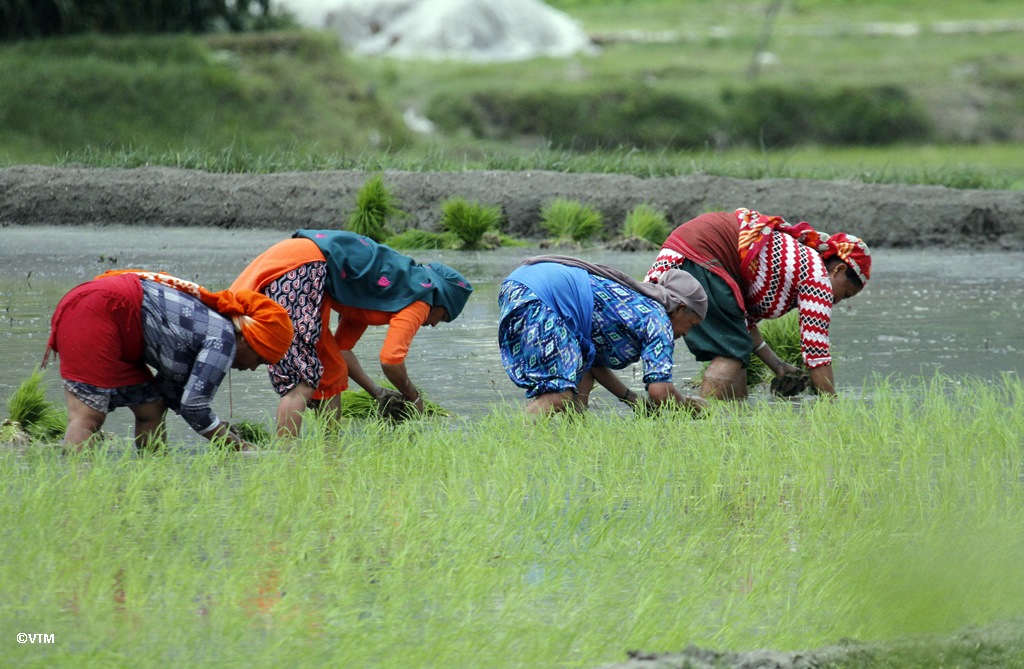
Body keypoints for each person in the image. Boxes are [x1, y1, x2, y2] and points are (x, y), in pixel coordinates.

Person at [231, 229, 474, 436]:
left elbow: (341, 350)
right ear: (439, 300)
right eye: (442, 318)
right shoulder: (421, 298)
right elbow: (391, 361)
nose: (433, 325)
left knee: (332, 371)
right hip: (304, 267)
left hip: (298, 261)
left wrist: (377, 392)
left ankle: (330, 452)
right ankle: (288, 459)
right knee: (302, 378)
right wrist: (415, 398)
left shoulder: (377, 293)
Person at [43, 269, 294, 452]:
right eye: (259, 359)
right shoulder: (224, 339)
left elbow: (175, 397)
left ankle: (152, 478)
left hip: (116, 323)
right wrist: (239, 447)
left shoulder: (214, 329)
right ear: (247, 339)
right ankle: (76, 495)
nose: (251, 368)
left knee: (151, 407)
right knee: (88, 416)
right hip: (97, 311)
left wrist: (220, 430)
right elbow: (195, 406)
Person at [645, 208, 872, 399]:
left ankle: (734, 421)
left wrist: (778, 366)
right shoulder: (817, 275)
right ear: (838, 269)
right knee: (732, 351)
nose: (837, 302)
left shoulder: (791, 264)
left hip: (685, 249)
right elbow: (817, 352)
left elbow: (743, 325)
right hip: (701, 255)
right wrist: (831, 407)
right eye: (845, 294)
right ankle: (704, 424)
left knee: (738, 351)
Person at [497, 254, 709, 417]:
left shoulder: (636, 302)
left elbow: (592, 366)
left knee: (578, 377)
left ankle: (574, 439)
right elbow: (660, 391)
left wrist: (632, 400)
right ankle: (510, 442)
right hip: (540, 296)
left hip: (518, 285)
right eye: (691, 324)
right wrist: (688, 404)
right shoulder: (658, 318)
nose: (686, 333)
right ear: (680, 308)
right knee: (559, 394)